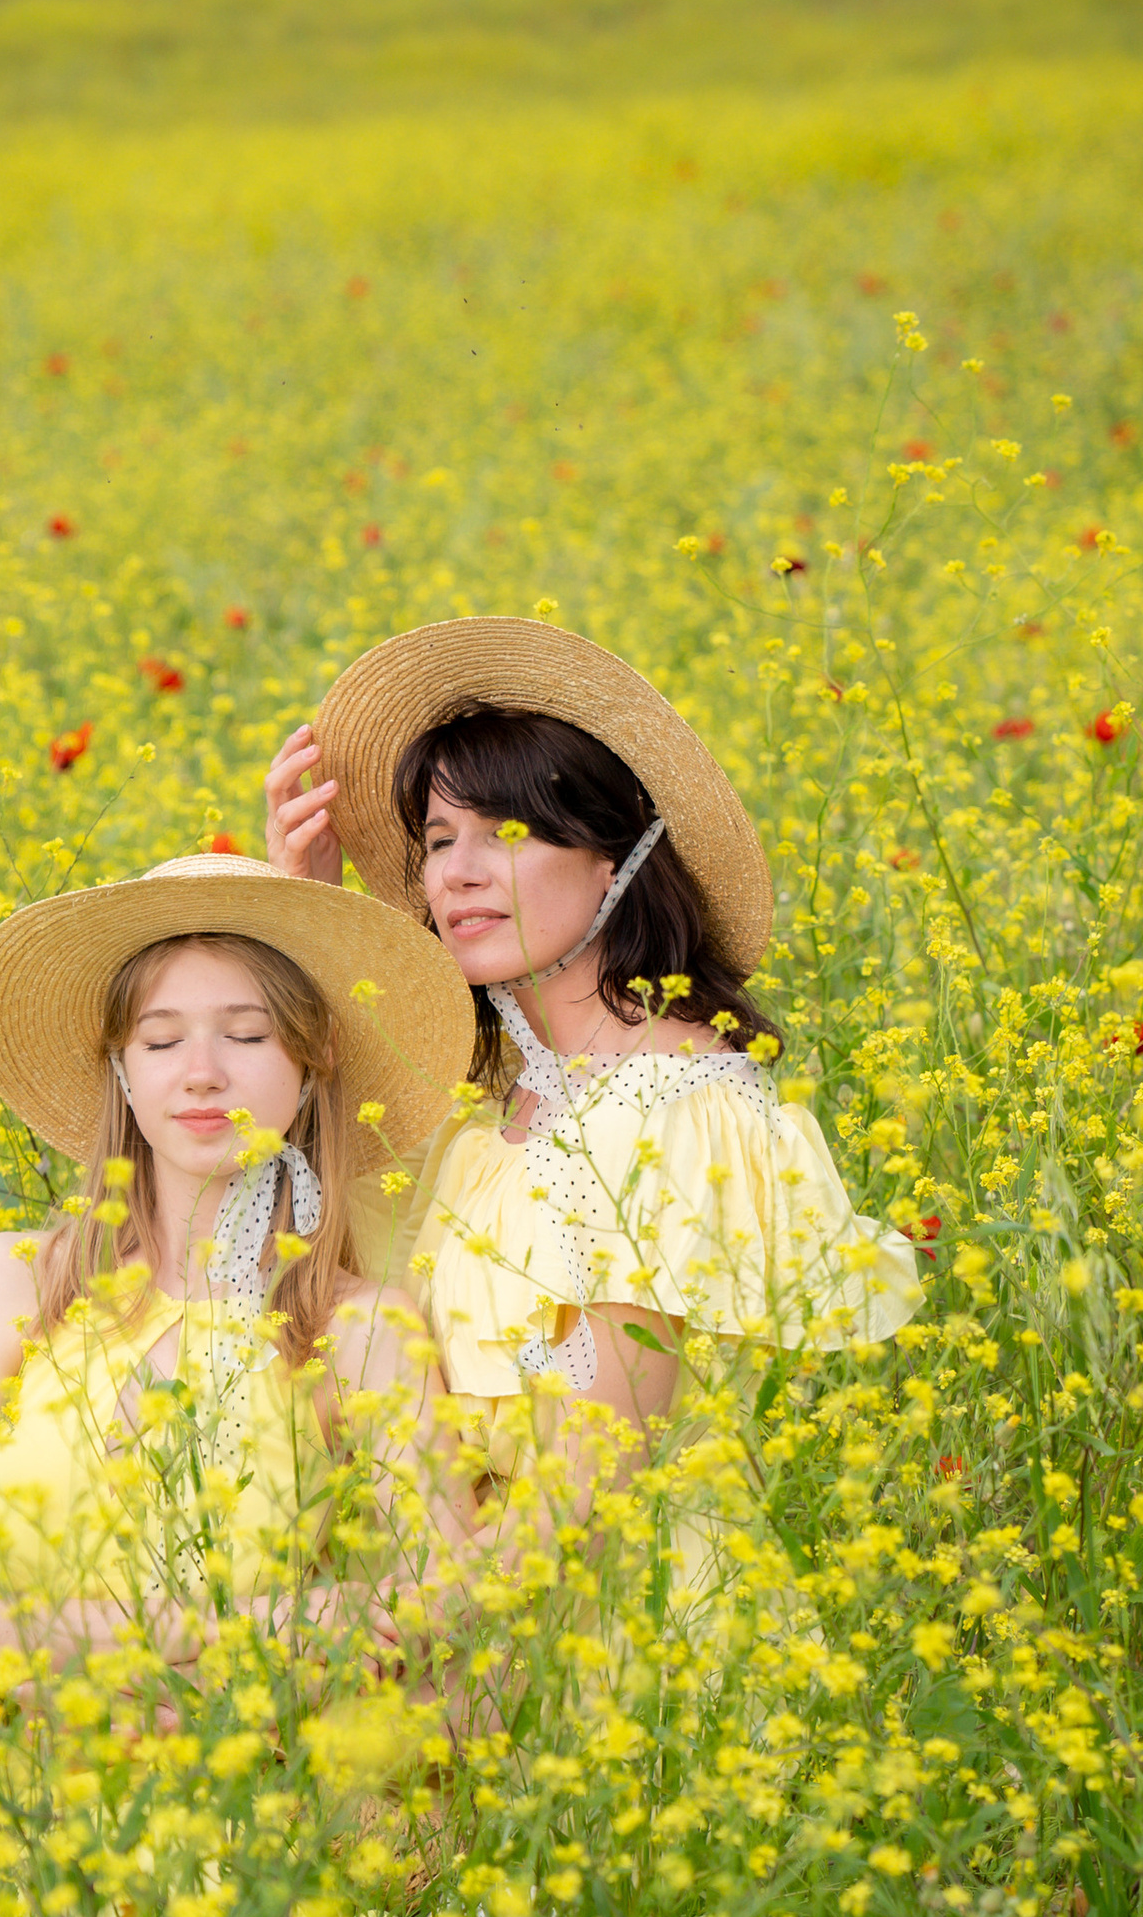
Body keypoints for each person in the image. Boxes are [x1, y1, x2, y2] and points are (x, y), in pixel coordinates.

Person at [263, 618, 920, 1501]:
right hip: (453, 1569)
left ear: (615, 857)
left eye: (508, 833)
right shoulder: (495, 1109)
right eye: (441, 839)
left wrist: (421, 1589)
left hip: (593, 1584)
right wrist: (309, 918)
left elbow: (589, 1496)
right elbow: (294, 1231)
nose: (457, 873)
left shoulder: (676, 1115)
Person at [0, 854, 476, 1680]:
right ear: (121, 1072)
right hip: (8, 1752)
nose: (202, 1074)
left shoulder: (357, 1327)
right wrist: (224, 1633)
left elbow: (440, 1602)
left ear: (314, 1060)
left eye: (248, 1035)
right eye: (161, 1040)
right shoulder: (13, 1282)